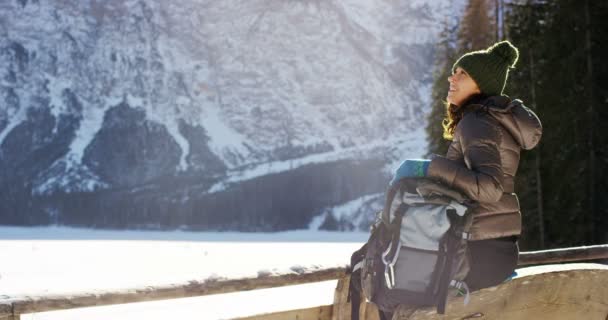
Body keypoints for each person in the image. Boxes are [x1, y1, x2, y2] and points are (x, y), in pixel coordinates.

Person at [391, 40, 542, 291]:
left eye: (463, 73)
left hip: (477, 252)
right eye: (454, 71)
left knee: (399, 288)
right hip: (498, 249)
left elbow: (490, 189)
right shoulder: (491, 120)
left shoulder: (476, 121)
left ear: (481, 84)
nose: (452, 78)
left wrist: (429, 169)